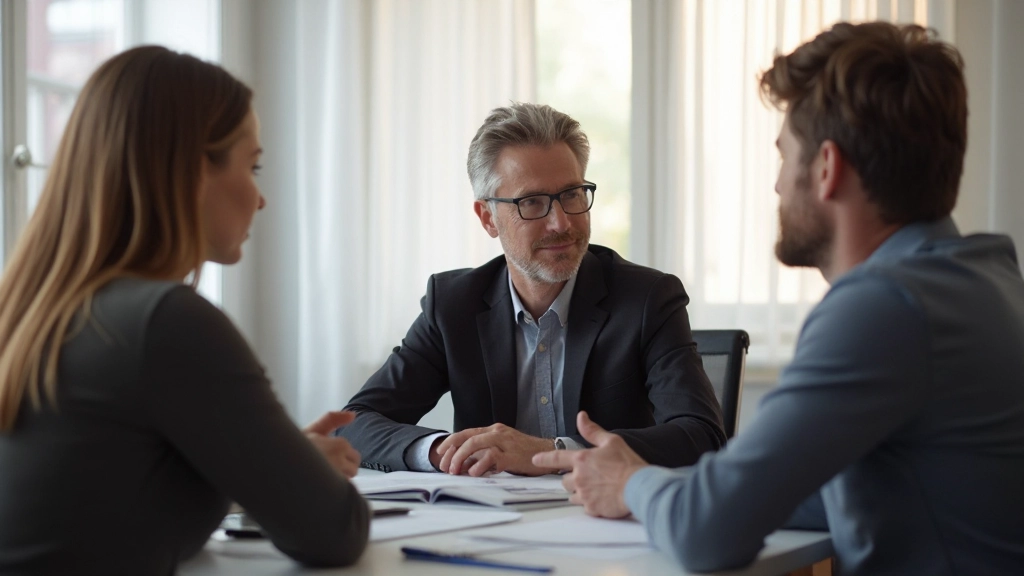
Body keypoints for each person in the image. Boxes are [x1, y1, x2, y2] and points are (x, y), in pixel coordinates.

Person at [534, 22, 1024, 575]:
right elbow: (813, 494)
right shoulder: (987, 278)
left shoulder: (884, 308)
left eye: (784, 156)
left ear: (826, 168)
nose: (776, 185)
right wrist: (666, 484)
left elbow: (708, 534)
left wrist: (633, 483)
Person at [0, 46, 369, 574]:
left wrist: (275, 465)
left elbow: (115, 511)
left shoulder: (32, 311)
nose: (261, 199)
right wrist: (297, 471)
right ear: (193, 170)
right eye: (253, 165)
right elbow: (336, 533)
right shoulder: (163, 322)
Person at [334, 103, 725, 476]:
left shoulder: (646, 299)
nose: (560, 223)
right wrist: (443, 452)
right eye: (532, 202)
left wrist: (550, 453)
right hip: (492, 527)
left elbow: (701, 436)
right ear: (488, 217)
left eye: (572, 195)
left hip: (605, 522)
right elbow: (353, 425)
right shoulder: (454, 305)